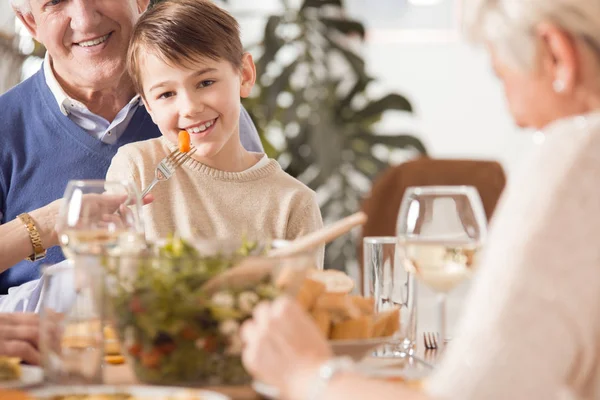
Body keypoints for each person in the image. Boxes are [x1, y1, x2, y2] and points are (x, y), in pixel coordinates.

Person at [240, 0, 600, 399]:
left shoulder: (579, 151)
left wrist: (307, 374)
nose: (516, 118)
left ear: (555, 55)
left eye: (503, 77)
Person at [0, 0, 263, 294]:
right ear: (30, 23)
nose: (85, 20)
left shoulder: (212, 120)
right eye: (55, 1)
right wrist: (43, 225)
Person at [105, 0, 324, 263]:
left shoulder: (294, 204)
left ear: (244, 75)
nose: (190, 108)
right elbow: (109, 285)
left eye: (205, 82)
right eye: (166, 94)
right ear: (148, 105)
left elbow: (303, 301)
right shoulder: (136, 169)